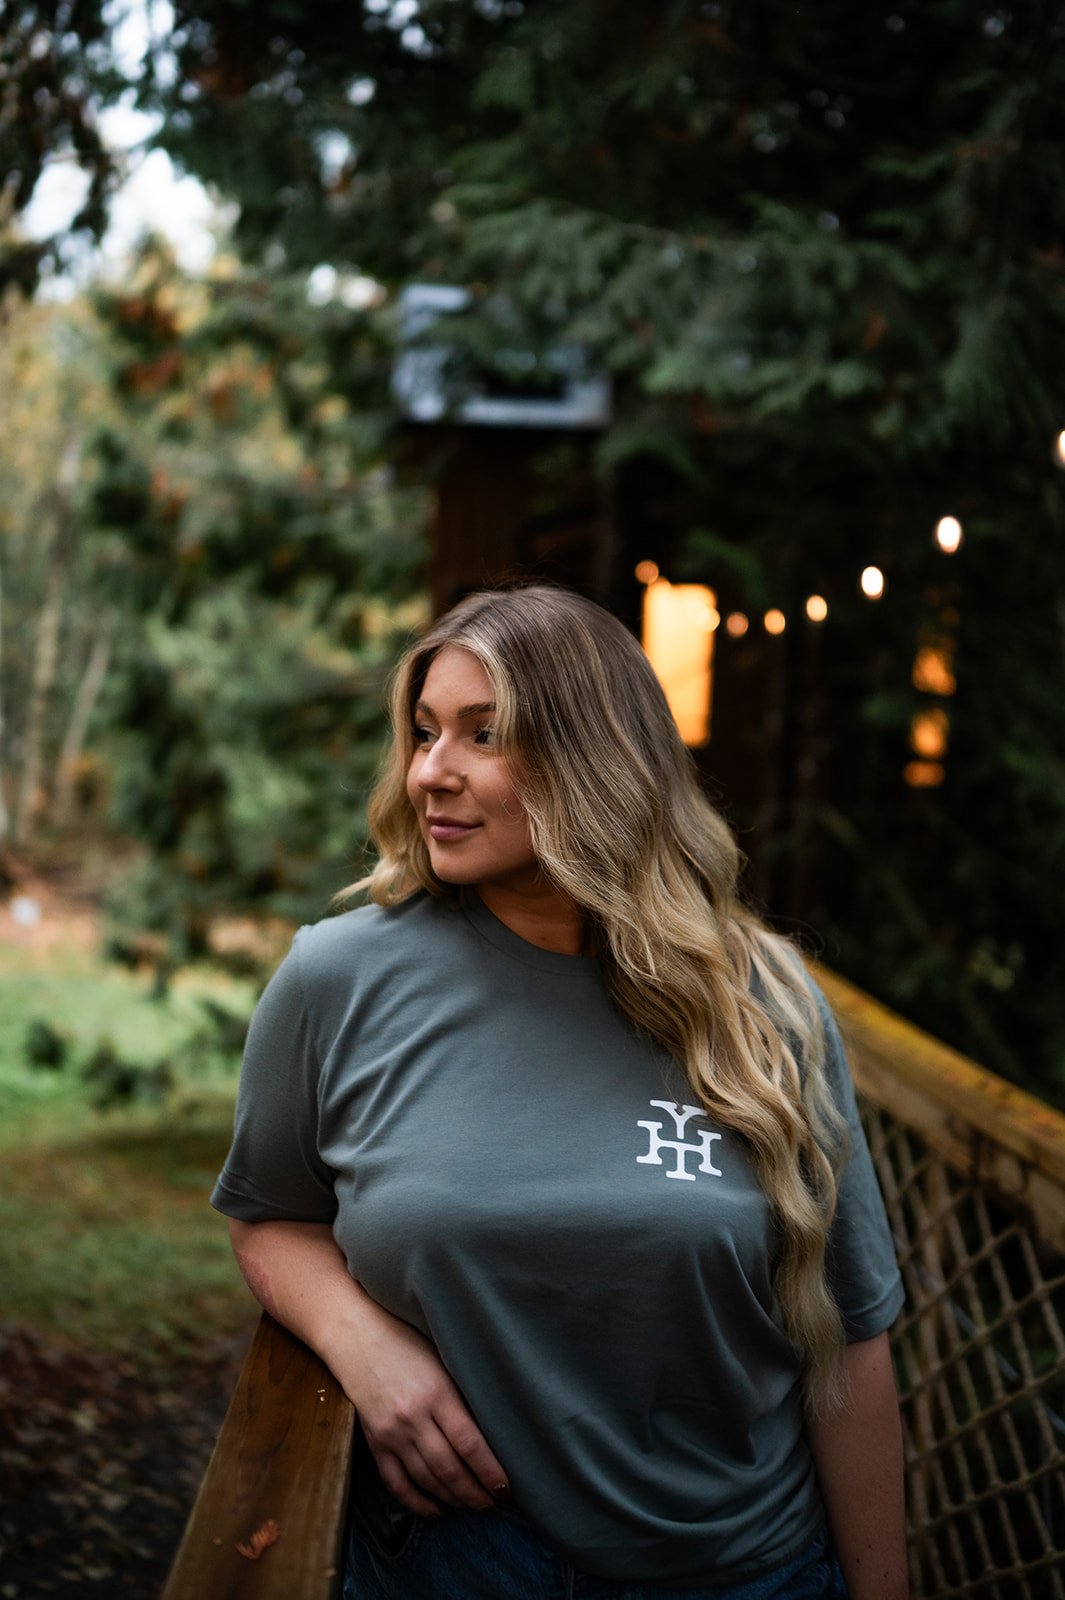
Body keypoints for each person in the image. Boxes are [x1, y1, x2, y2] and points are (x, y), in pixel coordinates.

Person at [212, 583, 909, 1600]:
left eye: (484, 734)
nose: (429, 772)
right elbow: (270, 1215)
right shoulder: (338, 978)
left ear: (597, 758)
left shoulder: (763, 1002)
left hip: (745, 1569)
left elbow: (849, 1339)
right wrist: (364, 1346)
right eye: (423, 733)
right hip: (451, 1564)